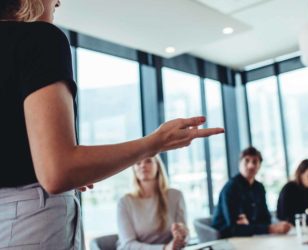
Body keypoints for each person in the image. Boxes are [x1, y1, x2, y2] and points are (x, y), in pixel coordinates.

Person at [0, 1, 223, 249]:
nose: (58, 2)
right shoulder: (41, 38)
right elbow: (57, 172)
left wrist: (69, 165)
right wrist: (155, 143)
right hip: (27, 226)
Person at [212, 146, 291, 238]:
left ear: (260, 165)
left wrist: (249, 224)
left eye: (255, 161)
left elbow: (266, 219)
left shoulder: (259, 187)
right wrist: (270, 228)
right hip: (225, 239)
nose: (251, 165)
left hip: (250, 236)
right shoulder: (230, 188)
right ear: (239, 163)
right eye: (246, 161)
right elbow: (234, 228)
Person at [117, 156, 188, 250]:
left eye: (148, 161)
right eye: (138, 163)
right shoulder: (124, 202)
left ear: (158, 166)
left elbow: (185, 235)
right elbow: (127, 245)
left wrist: (182, 236)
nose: (142, 165)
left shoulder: (176, 195)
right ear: (134, 169)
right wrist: (164, 248)